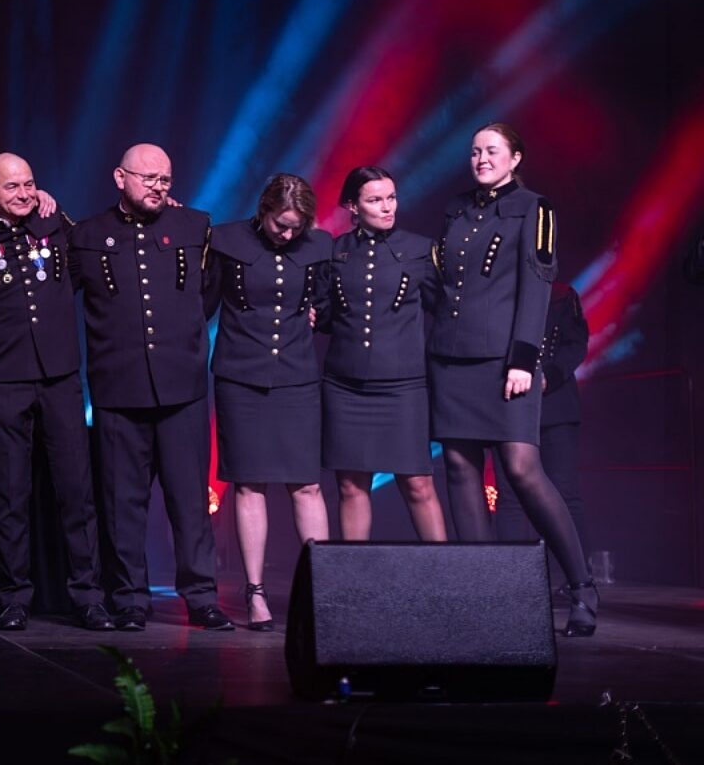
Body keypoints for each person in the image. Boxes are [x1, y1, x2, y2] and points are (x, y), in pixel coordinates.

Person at [429, 123, 597, 636]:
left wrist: (524, 360)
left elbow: (537, 286)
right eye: (475, 151)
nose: (481, 158)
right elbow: (443, 284)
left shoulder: (534, 208)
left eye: (492, 150)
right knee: (459, 470)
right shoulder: (457, 209)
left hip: (505, 361)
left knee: (523, 470)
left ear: (515, 158)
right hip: (452, 360)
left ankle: (582, 586)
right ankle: (486, 594)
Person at [69, 144, 233, 632]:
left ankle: (201, 597)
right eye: (149, 178)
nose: (159, 187)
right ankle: (130, 599)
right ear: (120, 177)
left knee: (190, 502)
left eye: (165, 179)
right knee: (123, 505)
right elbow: (56, 296)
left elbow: (208, 295)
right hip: (118, 389)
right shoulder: (87, 235)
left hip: (181, 387)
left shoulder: (195, 226)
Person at [0, 152, 112, 632]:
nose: (23, 194)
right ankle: (14, 597)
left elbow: (85, 268)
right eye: (12, 187)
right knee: (10, 492)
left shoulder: (56, 224)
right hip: (5, 376)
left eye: (28, 184)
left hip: (60, 374)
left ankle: (88, 596)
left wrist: (53, 206)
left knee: (76, 490)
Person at [207, 173, 332, 632]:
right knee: (250, 484)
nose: (287, 234)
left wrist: (320, 313)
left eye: (296, 227)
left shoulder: (319, 246)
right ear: (264, 212)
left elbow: (327, 303)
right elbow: (201, 302)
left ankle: (323, 587)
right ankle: (255, 591)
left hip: (297, 377)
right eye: (281, 225)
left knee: (307, 485)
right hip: (241, 376)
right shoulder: (226, 241)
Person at [317, 167, 445, 542]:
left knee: (418, 484)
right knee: (352, 486)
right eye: (375, 200)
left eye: (391, 198)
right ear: (352, 206)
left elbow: (444, 311)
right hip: (344, 386)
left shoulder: (420, 249)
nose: (387, 207)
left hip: (403, 386)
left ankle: (445, 572)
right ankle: (354, 575)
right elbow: (325, 316)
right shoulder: (334, 252)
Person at [493, 282, 591, 582]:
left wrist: (549, 376)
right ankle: (511, 579)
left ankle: (574, 577)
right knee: (509, 496)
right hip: (509, 402)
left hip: (555, 405)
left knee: (564, 492)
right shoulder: (498, 290)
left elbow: (575, 344)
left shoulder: (561, 294)